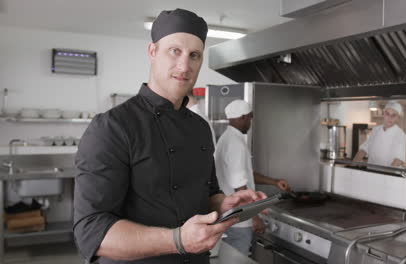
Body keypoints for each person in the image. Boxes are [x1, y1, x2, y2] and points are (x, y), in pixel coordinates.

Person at [73, 9, 266, 264]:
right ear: (153, 52)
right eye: (175, 51)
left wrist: (225, 204)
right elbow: (91, 231)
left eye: (194, 55)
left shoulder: (200, 127)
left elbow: (208, 194)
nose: (184, 66)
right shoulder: (112, 127)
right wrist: (177, 241)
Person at [214, 99, 291, 255]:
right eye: (250, 117)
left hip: (229, 217)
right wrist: (254, 217)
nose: (250, 121)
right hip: (238, 222)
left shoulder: (226, 138)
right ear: (243, 117)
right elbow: (240, 188)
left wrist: (274, 182)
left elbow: (245, 175)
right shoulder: (235, 143)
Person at [353, 101, 406, 167]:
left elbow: (398, 160)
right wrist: (353, 165)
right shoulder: (375, 130)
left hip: (389, 174)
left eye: (393, 115)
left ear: (398, 118)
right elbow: (364, 149)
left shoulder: (400, 134)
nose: (390, 117)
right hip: (372, 171)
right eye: (387, 114)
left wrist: (385, 175)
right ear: (383, 114)